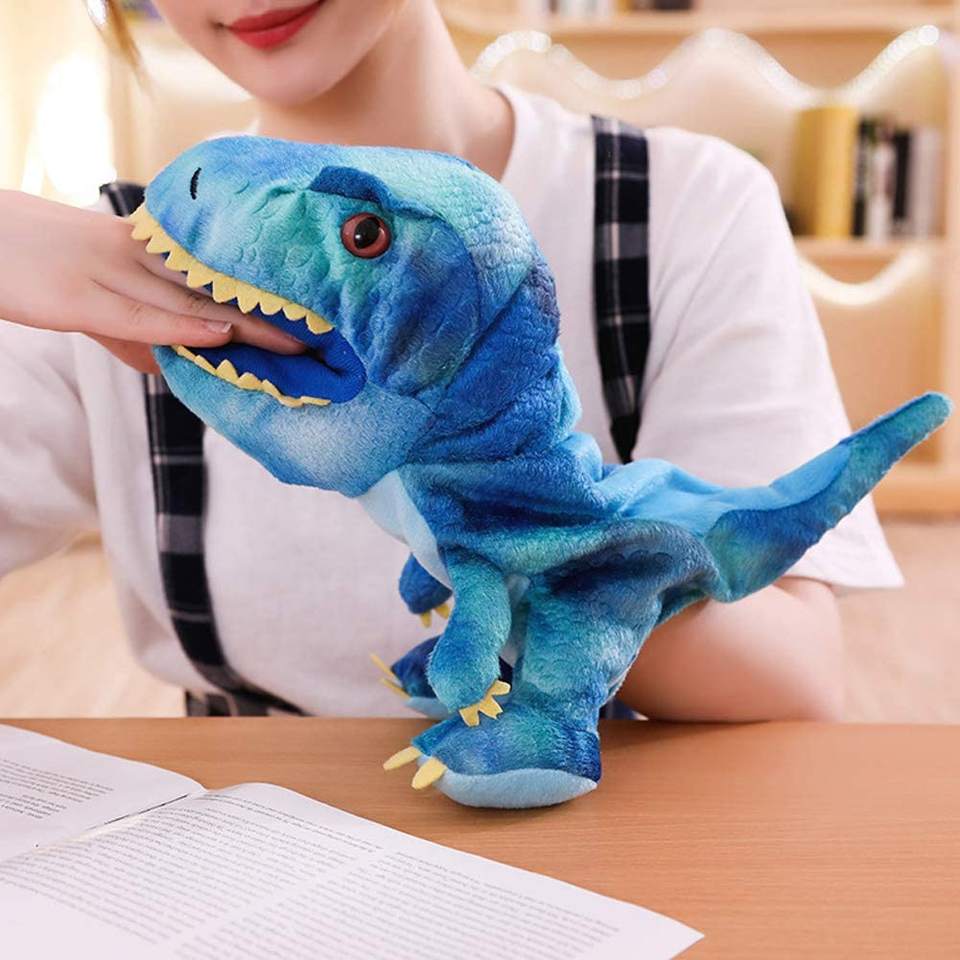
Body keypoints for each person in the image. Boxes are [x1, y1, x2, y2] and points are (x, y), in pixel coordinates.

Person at [0, 0, 902, 722]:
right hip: (238, 845)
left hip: (605, 840)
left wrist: (500, 517)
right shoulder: (108, 274)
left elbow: (793, 676)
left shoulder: (683, 206)